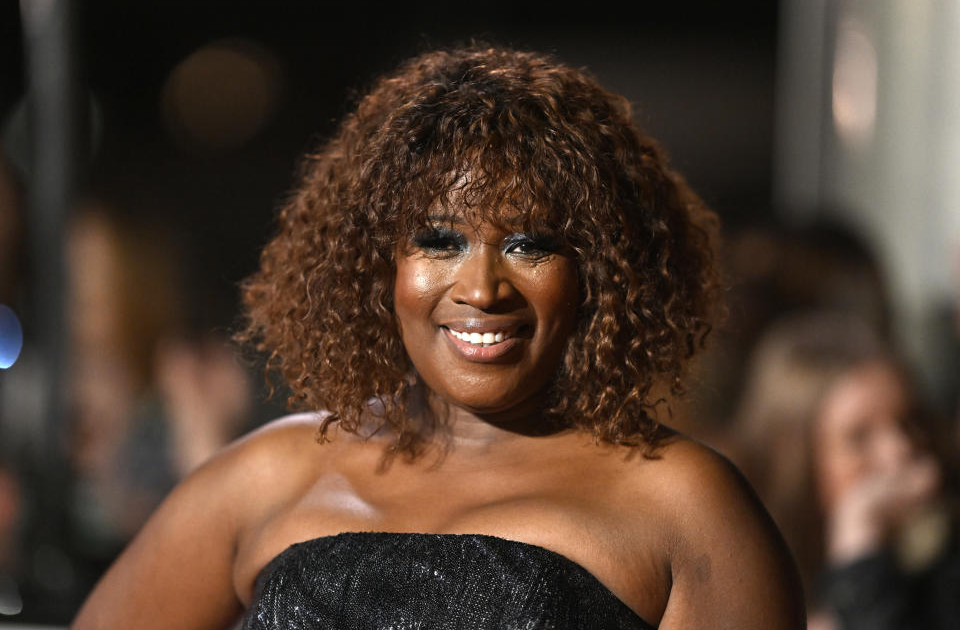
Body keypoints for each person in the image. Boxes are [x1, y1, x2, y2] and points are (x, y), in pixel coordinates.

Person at [73, 44, 803, 629]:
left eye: (529, 244)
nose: (482, 289)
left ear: (599, 272)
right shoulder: (271, 474)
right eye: (439, 240)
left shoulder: (686, 504)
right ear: (377, 264)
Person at [732, 312, 959, 629]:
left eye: (910, 420)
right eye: (860, 437)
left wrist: (861, 559)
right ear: (797, 462)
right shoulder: (746, 587)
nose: (902, 449)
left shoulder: (945, 564)